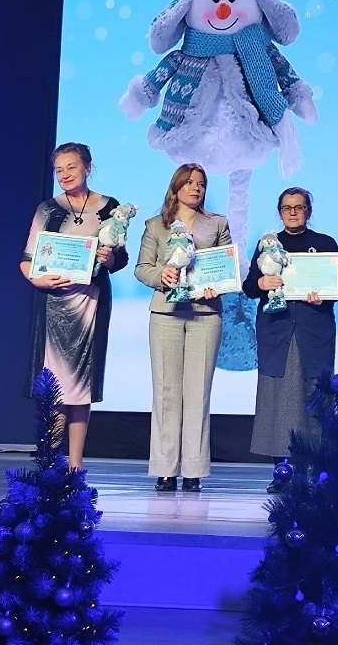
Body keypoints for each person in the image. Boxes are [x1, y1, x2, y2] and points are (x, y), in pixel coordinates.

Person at [20, 142, 128, 470]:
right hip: (54, 306)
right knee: (55, 388)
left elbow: (120, 258)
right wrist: (39, 280)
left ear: (87, 168)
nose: (65, 174)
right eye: (59, 169)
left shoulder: (111, 207)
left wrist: (109, 258)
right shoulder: (47, 209)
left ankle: (76, 465)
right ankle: (52, 462)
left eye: (71, 167)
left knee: (81, 387)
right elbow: (27, 260)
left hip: (91, 304)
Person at [243, 187, 338, 490]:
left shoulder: (324, 243)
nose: (292, 212)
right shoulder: (268, 244)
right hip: (277, 331)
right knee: (278, 400)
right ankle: (283, 472)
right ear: (279, 212)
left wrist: (323, 295)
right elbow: (250, 287)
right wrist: (262, 282)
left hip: (314, 331)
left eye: (299, 207)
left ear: (308, 211)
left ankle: (315, 472)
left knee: (315, 399)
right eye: (287, 207)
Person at [135, 163, 231, 493]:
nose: (196, 188)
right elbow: (142, 268)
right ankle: (164, 469)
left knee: (197, 393)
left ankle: (193, 469)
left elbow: (226, 267)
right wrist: (160, 275)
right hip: (166, 312)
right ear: (175, 187)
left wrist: (218, 285)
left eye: (201, 183)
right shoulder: (155, 225)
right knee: (166, 391)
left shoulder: (217, 224)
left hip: (206, 314)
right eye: (189, 182)